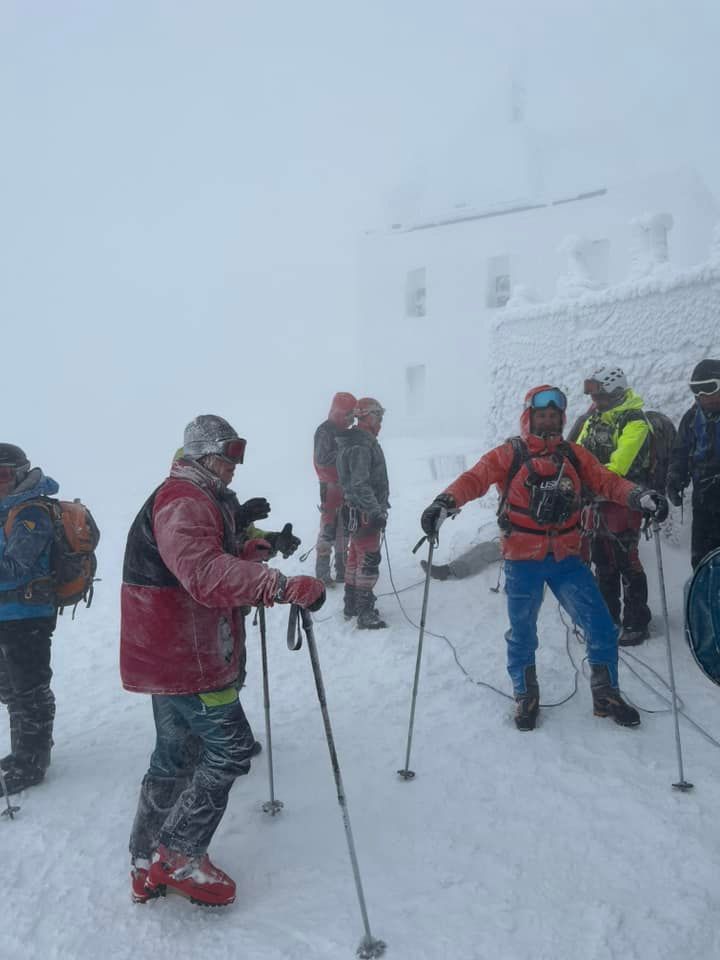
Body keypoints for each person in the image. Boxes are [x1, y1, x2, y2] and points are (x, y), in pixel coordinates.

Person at [121, 415, 325, 907]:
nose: (234, 466)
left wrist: (246, 547)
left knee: (174, 755)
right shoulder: (183, 499)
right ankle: (180, 853)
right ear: (203, 455)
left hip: (166, 651)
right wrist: (278, 584)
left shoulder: (191, 495)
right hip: (188, 654)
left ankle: (146, 858)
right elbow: (203, 572)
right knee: (231, 749)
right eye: (227, 456)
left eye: (238, 456)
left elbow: (201, 556)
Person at [420, 385, 668, 732]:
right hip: (522, 561)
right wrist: (445, 502)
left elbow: (608, 482)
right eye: (542, 416)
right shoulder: (511, 453)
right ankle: (525, 694)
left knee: (600, 625)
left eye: (554, 416)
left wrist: (640, 496)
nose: (548, 422)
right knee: (522, 634)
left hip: (567, 559)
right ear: (529, 417)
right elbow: (475, 478)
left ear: (561, 419)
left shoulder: (574, 455)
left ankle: (606, 693)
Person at [576, 366, 653, 645]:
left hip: (625, 500)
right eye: (595, 397)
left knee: (626, 561)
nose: (596, 403)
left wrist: (587, 480)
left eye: (602, 397)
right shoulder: (594, 418)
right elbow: (580, 452)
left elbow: (620, 465)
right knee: (602, 560)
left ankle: (637, 621)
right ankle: (608, 616)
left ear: (618, 392)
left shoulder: (635, 422)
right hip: (596, 501)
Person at [0, 445, 60, 795]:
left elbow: (16, 569)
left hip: (28, 615)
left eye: (3, 475)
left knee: (29, 689)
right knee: (9, 689)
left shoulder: (31, 513)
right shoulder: (6, 510)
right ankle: (25, 749)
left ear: (21, 473)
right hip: (7, 614)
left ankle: (32, 761)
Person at [336, 398, 390, 629]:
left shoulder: (355, 441)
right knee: (368, 558)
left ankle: (351, 603)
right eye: (378, 417)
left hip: (354, 509)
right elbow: (359, 483)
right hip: (364, 511)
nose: (380, 422)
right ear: (368, 416)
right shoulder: (361, 445)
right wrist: (375, 511)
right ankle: (365, 611)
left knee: (355, 556)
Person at [667, 358, 720, 569]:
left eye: (709, 388)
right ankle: (706, 598)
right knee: (703, 559)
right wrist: (675, 478)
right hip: (704, 498)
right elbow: (680, 452)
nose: (701, 396)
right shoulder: (692, 418)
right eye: (696, 390)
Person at [312, 392, 357, 585]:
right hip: (329, 485)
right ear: (339, 412)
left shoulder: (344, 431)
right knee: (329, 527)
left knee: (344, 528)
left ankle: (342, 570)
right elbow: (322, 459)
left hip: (344, 484)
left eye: (352, 417)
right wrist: (346, 452)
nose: (350, 420)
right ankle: (322, 573)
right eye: (348, 416)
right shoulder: (325, 431)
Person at [420, 537, 501, 581]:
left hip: (511, 547)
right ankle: (451, 568)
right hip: (510, 538)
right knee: (484, 546)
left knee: (486, 552)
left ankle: (447, 571)